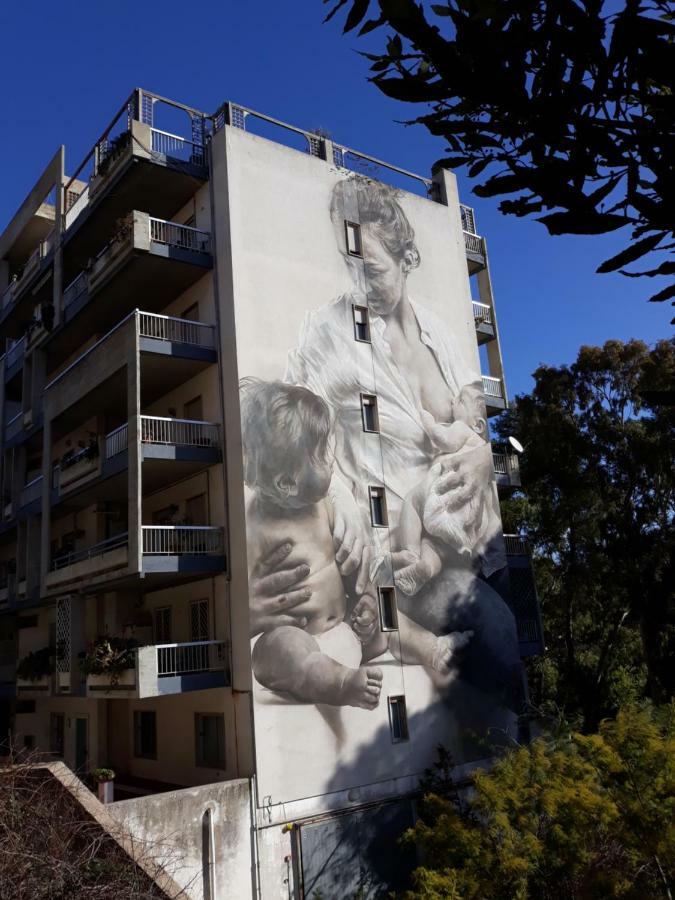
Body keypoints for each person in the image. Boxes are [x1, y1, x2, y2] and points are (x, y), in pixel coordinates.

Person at [241, 378, 472, 708]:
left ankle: (433, 649)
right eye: (321, 454)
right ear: (287, 483)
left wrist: (364, 600)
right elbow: (250, 597)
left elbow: (352, 569)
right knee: (276, 650)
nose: (331, 460)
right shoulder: (254, 528)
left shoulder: (327, 505)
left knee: (385, 613)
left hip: (349, 626)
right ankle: (340, 682)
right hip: (302, 637)